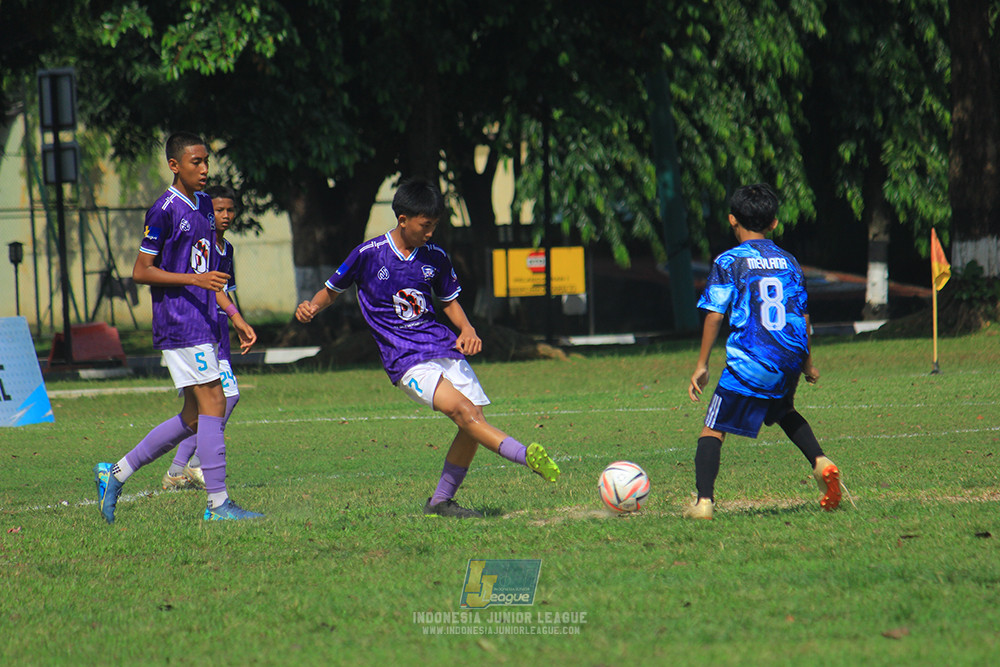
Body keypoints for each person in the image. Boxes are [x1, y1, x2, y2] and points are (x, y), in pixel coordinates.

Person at [295, 178, 561, 518]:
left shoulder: (435, 256)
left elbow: (449, 301)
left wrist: (467, 328)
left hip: (442, 347)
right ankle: (525, 455)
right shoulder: (368, 254)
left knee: (474, 417)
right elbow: (332, 289)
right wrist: (312, 307)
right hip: (405, 358)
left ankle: (440, 502)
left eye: (435, 225)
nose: (431, 232)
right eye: (426, 225)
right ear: (403, 219)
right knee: (464, 413)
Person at [93, 132, 263, 523]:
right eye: (195, 163)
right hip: (179, 320)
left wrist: (235, 317)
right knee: (215, 404)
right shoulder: (163, 210)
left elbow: (205, 274)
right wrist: (193, 281)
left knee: (193, 415)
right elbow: (141, 271)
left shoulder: (203, 204)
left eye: (206, 162)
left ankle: (115, 473)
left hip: (203, 317)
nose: (204, 170)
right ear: (174, 166)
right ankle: (219, 506)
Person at [685, 183, 841, 520]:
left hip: (751, 359)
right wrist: (808, 363)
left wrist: (701, 364)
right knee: (783, 410)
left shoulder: (730, 261)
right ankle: (821, 462)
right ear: (773, 223)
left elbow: (714, 313)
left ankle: (703, 503)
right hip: (789, 355)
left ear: (731, 220)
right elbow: (802, 314)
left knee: (713, 428)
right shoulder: (788, 261)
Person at [161, 184, 246, 491]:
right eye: (219, 210)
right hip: (196, 330)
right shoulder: (197, 244)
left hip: (218, 332)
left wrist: (237, 321)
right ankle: (194, 465)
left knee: (202, 408)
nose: (225, 216)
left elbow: (227, 294)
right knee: (226, 398)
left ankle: (176, 471)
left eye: (230, 210)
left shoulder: (227, 249)